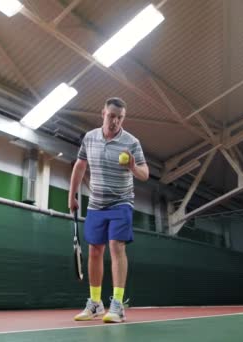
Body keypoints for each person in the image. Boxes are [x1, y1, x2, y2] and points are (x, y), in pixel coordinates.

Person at [68, 97, 149, 323]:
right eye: (112, 115)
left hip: (121, 202)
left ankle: (117, 305)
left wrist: (133, 166)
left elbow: (145, 173)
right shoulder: (90, 138)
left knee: (116, 246)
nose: (115, 121)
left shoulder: (132, 142)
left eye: (120, 117)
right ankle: (95, 304)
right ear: (102, 113)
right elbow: (80, 165)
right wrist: (72, 194)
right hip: (96, 204)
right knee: (95, 250)